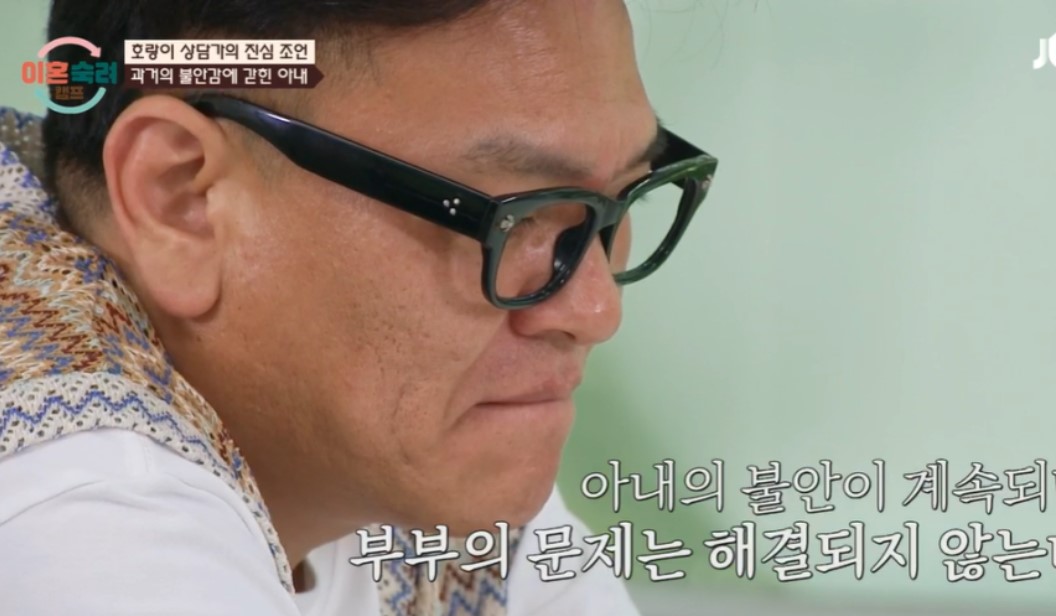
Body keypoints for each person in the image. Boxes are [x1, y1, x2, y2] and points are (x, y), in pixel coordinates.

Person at [0, 0, 717, 614]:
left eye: (621, 197)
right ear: (182, 201)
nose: (595, 311)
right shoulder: (79, 510)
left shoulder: (407, 448)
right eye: (516, 213)